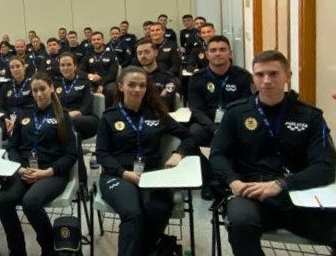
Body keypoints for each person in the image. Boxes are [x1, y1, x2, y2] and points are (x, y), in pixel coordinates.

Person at [210, 50, 336, 255]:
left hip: (296, 192)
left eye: (273, 74)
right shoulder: (236, 113)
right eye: (260, 75)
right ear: (253, 78)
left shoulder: (310, 116)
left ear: (288, 76)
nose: (266, 81)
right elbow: (217, 155)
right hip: (250, 192)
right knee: (240, 224)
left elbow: (325, 167)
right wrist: (234, 182)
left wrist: (280, 185)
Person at [96, 66, 195, 255]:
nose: (137, 90)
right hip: (118, 174)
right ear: (121, 87)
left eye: (142, 85)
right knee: (133, 214)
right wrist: (124, 174)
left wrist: (178, 153)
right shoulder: (109, 117)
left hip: (150, 173)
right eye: (131, 85)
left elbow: (189, 137)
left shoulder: (156, 114)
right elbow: (102, 154)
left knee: (158, 209)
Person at [0, 72, 78, 256]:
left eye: (42, 89)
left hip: (52, 171)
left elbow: (71, 155)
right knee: (3, 200)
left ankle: (49, 247)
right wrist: (19, 167)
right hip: (24, 169)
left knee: (30, 202)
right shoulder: (25, 113)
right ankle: (17, 251)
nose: (39, 94)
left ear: (51, 88)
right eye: (35, 90)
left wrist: (47, 172)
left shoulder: (63, 116)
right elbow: (12, 147)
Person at [188, 35, 253, 199]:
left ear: (230, 53)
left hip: (234, 125)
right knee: (190, 137)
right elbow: (195, 109)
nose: (218, 54)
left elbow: (246, 107)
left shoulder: (243, 77)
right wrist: (213, 128)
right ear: (207, 54)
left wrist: (225, 129)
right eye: (213, 50)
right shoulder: (197, 78)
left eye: (222, 50)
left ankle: (228, 178)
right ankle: (209, 177)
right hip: (206, 124)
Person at [57, 53, 99, 140]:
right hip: (64, 117)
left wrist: (78, 113)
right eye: (62, 65)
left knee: (67, 122)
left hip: (84, 117)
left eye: (69, 64)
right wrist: (67, 114)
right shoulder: (55, 84)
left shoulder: (84, 82)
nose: (65, 68)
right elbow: (56, 105)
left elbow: (88, 104)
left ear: (75, 66)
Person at [135, 38, 181, 112]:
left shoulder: (169, 78)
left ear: (155, 53)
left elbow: (164, 104)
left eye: (147, 52)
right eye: (139, 53)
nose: (143, 56)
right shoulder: (134, 78)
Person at [0, 57, 35, 135]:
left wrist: (17, 121)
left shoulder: (31, 85)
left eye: (18, 66)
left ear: (24, 67)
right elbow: (0, 107)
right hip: (9, 118)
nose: (15, 69)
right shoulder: (6, 86)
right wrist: (6, 119)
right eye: (12, 67)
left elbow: (32, 107)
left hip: (25, 118)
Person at [78, 31, 119, 106]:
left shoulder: (111, 54)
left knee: (111, 89)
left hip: (107, 82)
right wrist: (89, 76)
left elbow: (113, 73)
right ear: (91, 42)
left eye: (98, 39)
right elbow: (79, 70)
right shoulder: (87, 55)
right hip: (91, 82)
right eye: (93, 40)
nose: (96, 41)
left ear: (102, 40)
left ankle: (108, 110)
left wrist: (102, 84)